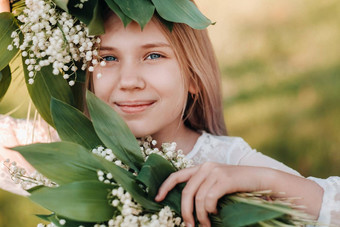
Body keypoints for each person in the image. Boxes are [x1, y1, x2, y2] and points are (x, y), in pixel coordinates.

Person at [0, 1, 339, 226]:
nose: (129, 81)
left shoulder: (228, 165)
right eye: (107, 58)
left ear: (193, 75)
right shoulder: (72, 154)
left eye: (153, 56)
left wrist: (264, 181)